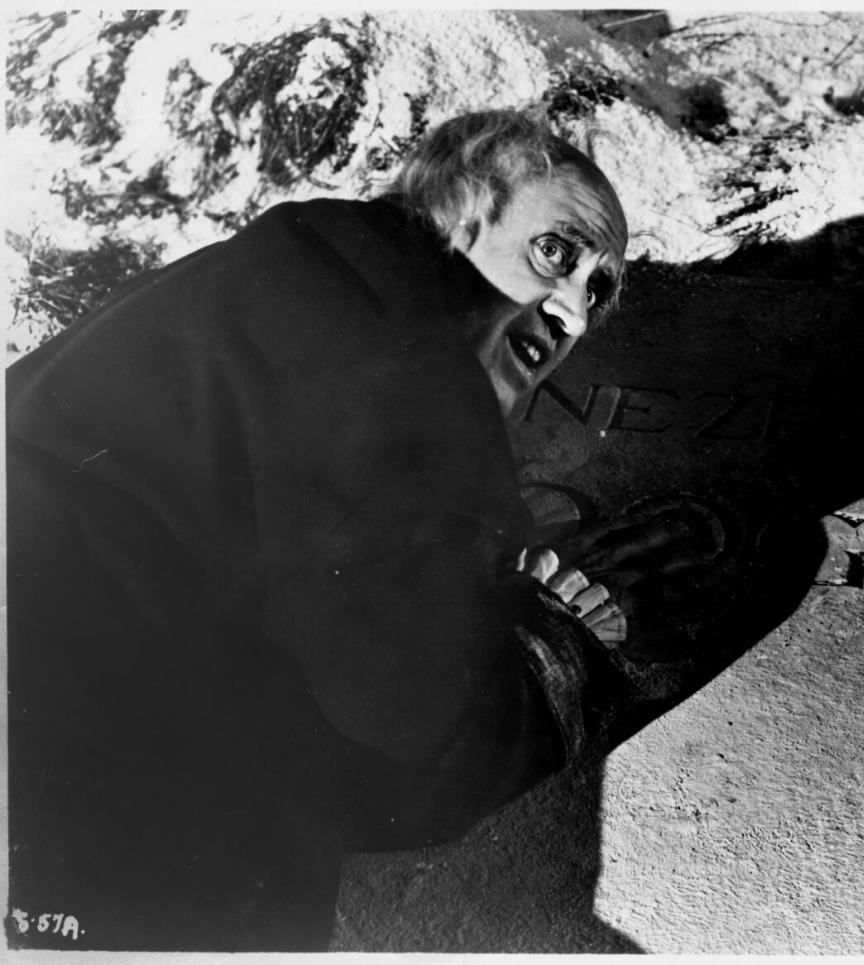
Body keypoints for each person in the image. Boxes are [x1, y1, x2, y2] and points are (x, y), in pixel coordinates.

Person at [6, 110, 674, 951]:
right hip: (105, 850)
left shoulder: (268, 275)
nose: (575, 310)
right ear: (454, 211)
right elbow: (424, 752)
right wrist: (554, 650)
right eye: (557, 251)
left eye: (600, 288)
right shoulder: (405, 374)